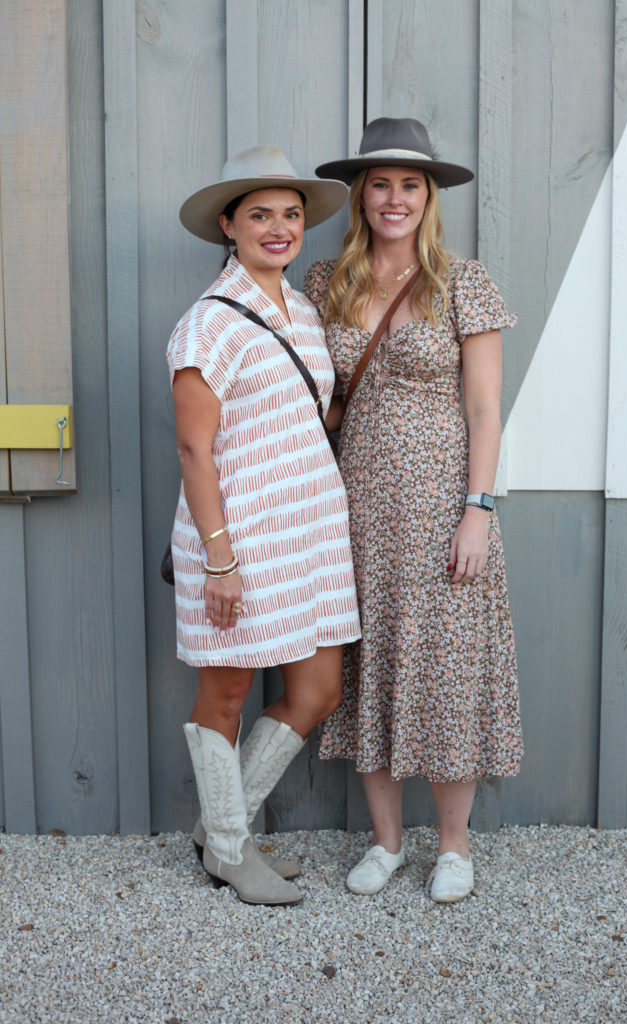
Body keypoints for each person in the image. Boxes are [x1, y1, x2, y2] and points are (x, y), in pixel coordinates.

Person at [305, 118, 523, 903]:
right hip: (351, 513)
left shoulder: (464, 280)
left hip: (442, 513)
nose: (393, 197)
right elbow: (310, 399)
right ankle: (387, 842)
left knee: (446, 672)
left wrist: (478, 510)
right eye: (379, 183)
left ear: (427, 196)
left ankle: (455, 848)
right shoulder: (326, 280)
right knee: (365, 670)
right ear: (360, 195)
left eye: (409, 184)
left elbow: (485, 410)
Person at [167, 145, 361, 906]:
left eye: (290, 215)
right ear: (228, 225)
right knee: (225, 693)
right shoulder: (207, 324)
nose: (278, 228)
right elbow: (192, 446)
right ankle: (228, 847)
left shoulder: (305, 312)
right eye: (259, 215)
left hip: (308, 536)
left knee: (316, 690)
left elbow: (307, 414)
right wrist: (219, 559)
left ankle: (224, 830)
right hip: (238, 540)